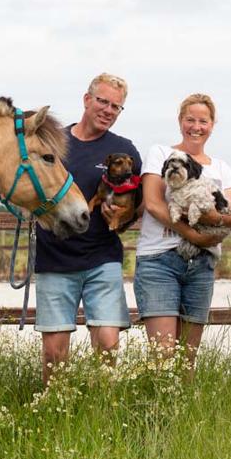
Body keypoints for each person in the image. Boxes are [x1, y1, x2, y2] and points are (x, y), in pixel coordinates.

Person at [35, 73, 142, 385]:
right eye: (103, 101)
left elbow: (135, 205)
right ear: (87, 100)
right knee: (54, 354)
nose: (108, 110)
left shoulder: (125, 150)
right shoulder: (54, 143)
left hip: (102, 258)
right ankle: (57, 406)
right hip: (54, 257)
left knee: (108, 343)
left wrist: (122, 216)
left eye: (116, 107)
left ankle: (103, 409)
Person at [134, 93, 231, 367]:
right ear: (180, 121)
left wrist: (209, 215)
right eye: (190, 119)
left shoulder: (222, 168)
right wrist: (194, 234)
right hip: (160, 260)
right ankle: (159, 409)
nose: (196, 126)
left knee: (187, 360)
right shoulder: (161, 153)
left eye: (203, 121)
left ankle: (185, 410)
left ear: (212, 124)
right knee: (163, 356)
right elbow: (154, 204)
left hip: (202, 263)